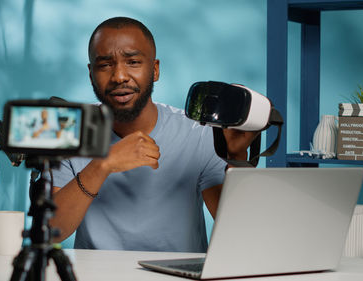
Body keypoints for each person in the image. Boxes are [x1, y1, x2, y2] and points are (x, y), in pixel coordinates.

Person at [49, 16, 259, 252]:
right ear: (91, 74)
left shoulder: (197, 133)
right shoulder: (69, 131)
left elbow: (239, 233)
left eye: (133, 62)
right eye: (105, 64)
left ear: (155, 69)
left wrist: (237, 156)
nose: (119, 76)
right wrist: (103, 165)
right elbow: (51, 230)